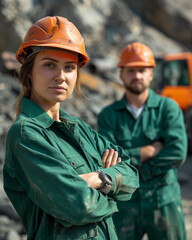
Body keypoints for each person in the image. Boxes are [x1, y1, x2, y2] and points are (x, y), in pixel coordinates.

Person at [3, 16, 139, 240]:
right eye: (49, 65)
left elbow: (131, 173)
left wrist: (97, 179)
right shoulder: (26, 134)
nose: (60, 76)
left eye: (69, 67)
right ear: (29, 71)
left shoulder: (78, 128)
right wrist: (112, 185)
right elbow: (79, 205)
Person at [98, 42, 187, 240]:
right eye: (131, 71)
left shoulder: (168, 108)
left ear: (151, 74)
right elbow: (108, 160)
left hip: (163, 201)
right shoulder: (108, 116)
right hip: (124, 203)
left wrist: (134, 166)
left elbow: (177, 152)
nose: (137, 76)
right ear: (121, 74)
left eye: (142, 70)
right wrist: (149, 150)